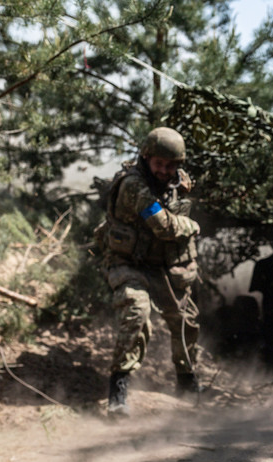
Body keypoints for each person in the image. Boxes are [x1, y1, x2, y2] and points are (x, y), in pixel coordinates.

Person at [97, 127, 204, 417]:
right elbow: (164, 225)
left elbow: (177, 199)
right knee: (137, 311)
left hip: (162, 267)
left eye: (171, 165)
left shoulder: (174, 180)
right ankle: (117, 391)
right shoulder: (134, 185)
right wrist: (192, 227)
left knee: (186, 321)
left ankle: (187, 383)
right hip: (127, 263)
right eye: (159, 164)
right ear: (146, 157)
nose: (164, 170)